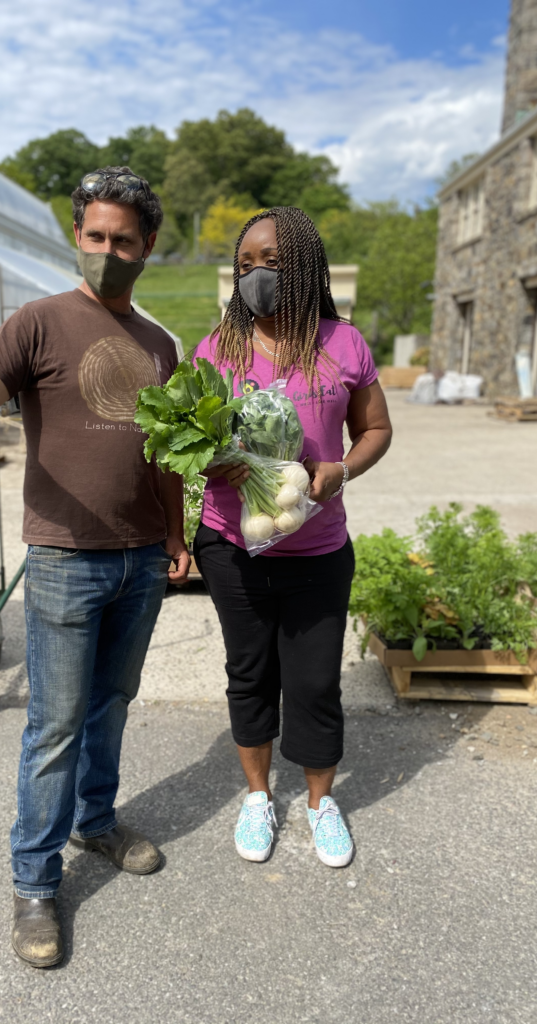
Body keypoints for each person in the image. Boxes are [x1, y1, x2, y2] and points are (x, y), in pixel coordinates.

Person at [0, 167, 190, 968]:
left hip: (140, 561)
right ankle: (33, 883)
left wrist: (176, 535)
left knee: (112, 705)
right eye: (95, 236)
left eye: (124, 240)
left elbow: (168, 454)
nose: (108, 251)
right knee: (54, 725)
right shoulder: (38, 323)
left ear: (147, 248)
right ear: (78, 238)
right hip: (62, 558)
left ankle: (96, 822)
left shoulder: (159, 344)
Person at [192, 207, 392, 868]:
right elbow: (196, 443)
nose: (255, 276)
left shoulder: (345, 343)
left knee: (314, 683)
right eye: (245, 265)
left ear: (304, 264)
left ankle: (318, 803)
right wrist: (213, 461)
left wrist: (342, 468)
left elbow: (376, 431)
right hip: (231, 546)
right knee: (248, 675)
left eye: (270, 262)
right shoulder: (218, 348)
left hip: (318, 548)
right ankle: (257, 796)